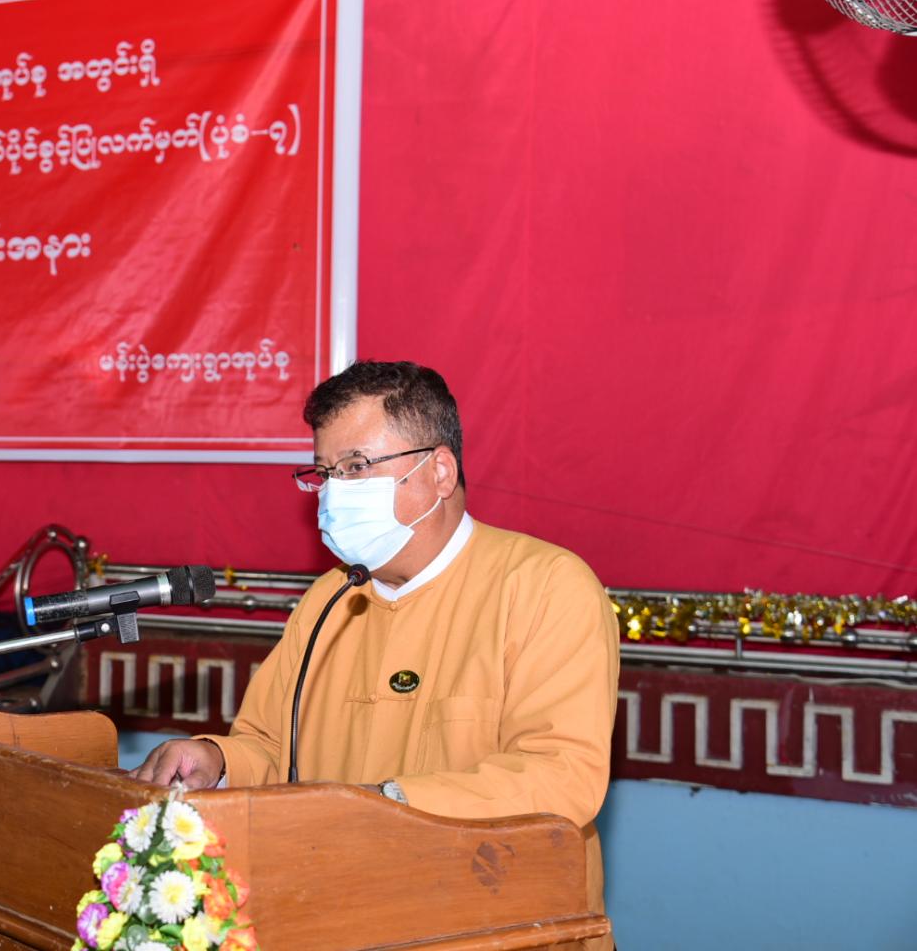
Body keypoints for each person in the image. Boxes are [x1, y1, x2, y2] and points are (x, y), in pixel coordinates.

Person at [129, 360, 619, 936]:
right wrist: (217, 761)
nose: (334, 491)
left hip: (492, 927)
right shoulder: (329, 598)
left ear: (440, 471)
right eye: (324, 472)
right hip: (340, 918)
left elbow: (561, 777)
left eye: (357, 467)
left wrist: (384, 802)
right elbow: (271, 748)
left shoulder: (544, 586)